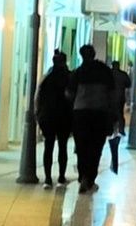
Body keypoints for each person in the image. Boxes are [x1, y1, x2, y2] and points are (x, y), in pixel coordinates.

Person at [67, 45, 115, 194]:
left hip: (80, 114)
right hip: (100, 114)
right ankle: (90, 178)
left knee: (81, 147)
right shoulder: (104, 71)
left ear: (82, 56)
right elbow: (112, 94)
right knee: (96, 148)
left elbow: (69, 94)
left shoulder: (77, 73)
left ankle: (83, 176)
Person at [37, 51, 72, 189]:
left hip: (49, 116)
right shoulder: (69, 77)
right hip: (64, 117)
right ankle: (61, 177)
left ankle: (47, 178)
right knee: (63, 147)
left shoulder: (47, 78)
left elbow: (39, 97)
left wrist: (38, 115)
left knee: (48, 147)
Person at [108, 60, 131, 173]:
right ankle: (121, 129)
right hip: (120, 97)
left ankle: (111, 129)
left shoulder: (109, 74)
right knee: (119, 114)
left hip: (111, 98)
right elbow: (128, 84)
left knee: (111, 114)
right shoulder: (123, 74)